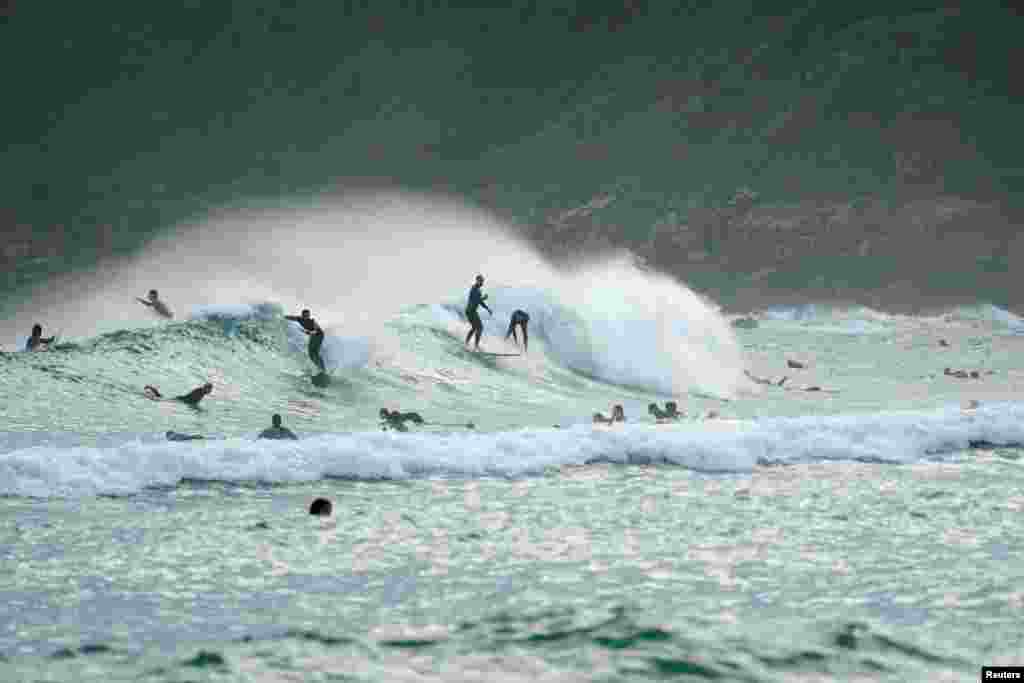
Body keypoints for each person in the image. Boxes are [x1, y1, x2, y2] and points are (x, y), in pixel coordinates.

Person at [464, 274, 492, 350]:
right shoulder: (474, 289)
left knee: (474, 327)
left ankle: (467, 343)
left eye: (483, 281)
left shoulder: (478, 290)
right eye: (481, 281)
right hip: (470, 311)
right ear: (477, 281)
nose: (482, 283)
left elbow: (480, 302)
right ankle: (475, 346)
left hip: (471, 311)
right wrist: (484, 298)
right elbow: (477, 300)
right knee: (480, 327)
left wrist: (487, 309)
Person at [144, 382, 213, 406]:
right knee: (159, 400)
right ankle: (150, 391)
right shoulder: (200, 391)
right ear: (206, 388)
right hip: (181, 400)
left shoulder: (201, 391)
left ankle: (152, 389)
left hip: (181, 399)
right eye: (209, 389)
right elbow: (192, 401)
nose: (210, 391)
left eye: (210, 389)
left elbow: (193, 401)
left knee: (161, 398)